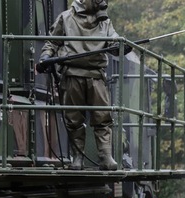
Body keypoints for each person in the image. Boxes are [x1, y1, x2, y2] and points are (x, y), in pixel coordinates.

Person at [38, 0, 122, 170]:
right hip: (72, 74)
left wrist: (120, 45)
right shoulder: (66, 18)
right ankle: (77, 157)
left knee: (102, 118)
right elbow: (52, 42)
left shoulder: (104, 21)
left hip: (96, 75)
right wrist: (46, 56)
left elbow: (113, 41)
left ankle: (105, 157)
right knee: (73, 118)